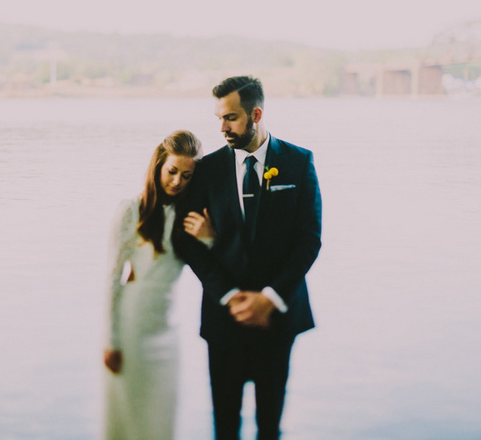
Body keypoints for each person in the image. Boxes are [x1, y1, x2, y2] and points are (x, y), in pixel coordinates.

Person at [175, 76, 322, 439]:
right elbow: (189, 242)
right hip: (225, 315)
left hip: (278, 315)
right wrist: (230, 295)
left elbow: (309, 240)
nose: (222, 127)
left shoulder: (299, 162)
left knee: (270, 424)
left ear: (256, 114)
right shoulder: (207, 170)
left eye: (231, 118)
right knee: (225, 424)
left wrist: (269, 298)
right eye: (219, 118)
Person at [102, 130, 213, 439]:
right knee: (127, 413)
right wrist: (111, 341)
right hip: (132, 325)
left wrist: (211, 239)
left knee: (163, 415)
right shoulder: (131, 210)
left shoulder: (191, 217)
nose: (177, 181)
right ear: (158, 167)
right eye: (172, 171)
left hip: (168, 328)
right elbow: (112, 279)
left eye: (187, 175)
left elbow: (213, 267)